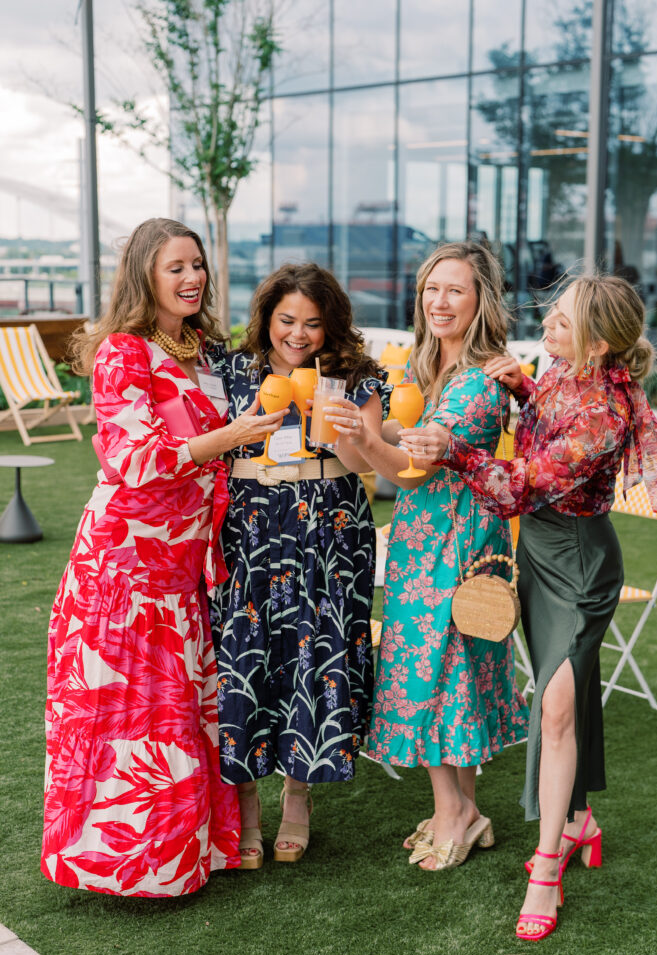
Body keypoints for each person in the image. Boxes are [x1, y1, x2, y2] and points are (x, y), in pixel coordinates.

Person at [401, 274, 657, 935]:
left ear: (599, 342)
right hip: (539, 557)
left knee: (553, 708)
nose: (546, 329)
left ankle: (546, 864)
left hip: (580, 567)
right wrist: (522, 388)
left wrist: (454, 449)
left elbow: (526, 481)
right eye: (550, 317)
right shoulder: (561, 372)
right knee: (566, 694)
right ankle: (579, 820)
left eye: (560, 323)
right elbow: (545, 420)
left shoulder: (603, 417)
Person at [42, 218, 285, 897]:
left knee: (175, 714)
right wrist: (230, 437)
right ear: (145, 274)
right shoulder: (125, 352)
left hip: (185, 563)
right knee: (129, 718)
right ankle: (123, 866)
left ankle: (189, 854)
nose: (191, 277)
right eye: (175, 266)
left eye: (197, 265)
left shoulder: (203, 351)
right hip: (123, 564)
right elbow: (135, 461)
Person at [325, 241, 529, 872]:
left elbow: (411, 473)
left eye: (456, 290)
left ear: (481, 301)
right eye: (431, 288)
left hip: (456, 544)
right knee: (453, 671)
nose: (439, 302)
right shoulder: (421, 367)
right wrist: (356, 432)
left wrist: (366, 437)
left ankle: (453, 812)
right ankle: (465, 809)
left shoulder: (477, 380)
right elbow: (379, 451)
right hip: (426, 542)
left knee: (436, 673)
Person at [206, 263, 389, 867]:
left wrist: (340, 432)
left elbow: (372, 459)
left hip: (331, 528)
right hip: (251, 525)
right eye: (287, 320)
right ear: (267, 318)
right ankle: (247, 808)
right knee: (243, 656)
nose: (299, 334)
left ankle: (298, 799)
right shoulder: (232, 370)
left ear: (331, 324)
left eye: (313, 323)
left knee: (316, 652)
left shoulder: (357, 378)